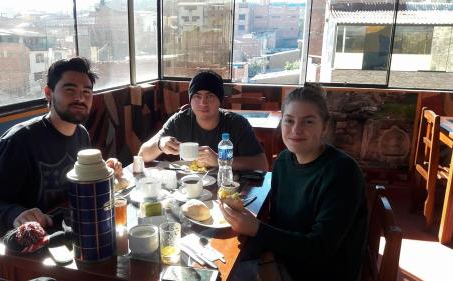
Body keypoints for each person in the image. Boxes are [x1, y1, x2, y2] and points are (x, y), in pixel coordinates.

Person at [220, 84, 368, 281]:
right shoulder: (283, 161)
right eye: (289, 121)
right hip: (283, 260)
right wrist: (268, 260)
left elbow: (320, 248)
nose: (296, 130)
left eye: (308, 122)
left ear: (324, 126)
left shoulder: (343, 173)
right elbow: (277, 222)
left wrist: (257, 229)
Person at [0, 57, 122, 237]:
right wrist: (15, 215)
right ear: (48, 93)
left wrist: (100, 172)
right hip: (20, 247)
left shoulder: (81, 134)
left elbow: (77, 186)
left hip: (64, 232)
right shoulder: (20, 141)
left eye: (87, 92)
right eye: (70, 90)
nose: (80, 98)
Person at [138, 70, 268, 171]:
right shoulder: (180, 121)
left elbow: (262, 165)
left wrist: (220, 160)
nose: (203, 103)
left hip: (226, 189)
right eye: (197, 96)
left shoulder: (237, 124)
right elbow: (142, 155)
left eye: (210, 96)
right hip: (187, 187)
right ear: (190, 100)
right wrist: (160, 145)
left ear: (220, 100)